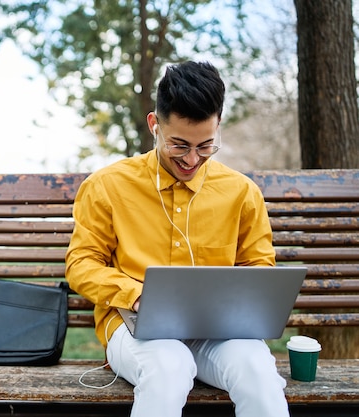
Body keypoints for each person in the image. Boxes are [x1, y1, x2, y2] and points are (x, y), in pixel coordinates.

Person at [65, 61, 289, 417]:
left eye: (205, 147)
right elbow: (81, 265)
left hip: (217, 332)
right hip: (132, 326)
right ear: (155, 125)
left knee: (259, 371)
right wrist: (137, 294)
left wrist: (241, 301)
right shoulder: (108, 186)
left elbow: (258, 268)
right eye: (179, 145)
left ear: (218, 128)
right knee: (168, 367)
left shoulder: (241, 193)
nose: (191, 159)